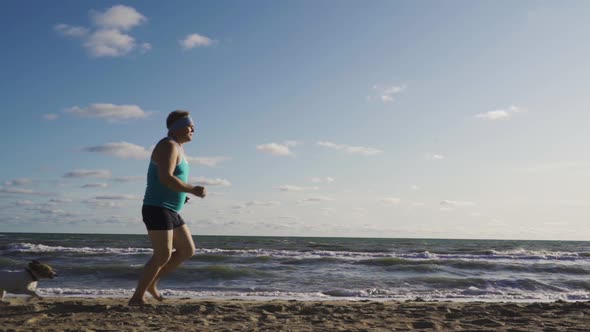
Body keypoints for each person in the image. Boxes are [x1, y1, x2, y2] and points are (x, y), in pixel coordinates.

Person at [129, 110, 206, 305]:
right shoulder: (168, 145)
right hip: (156, 208)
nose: (193, 129)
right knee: (162, 254)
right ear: (176, 127)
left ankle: (152, 283)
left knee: (187, 250)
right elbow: (166, 177)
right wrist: (193, 189)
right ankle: (137, 297)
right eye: (190, 125)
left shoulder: (179, 149)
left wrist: (182, 196)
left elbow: (169, 181)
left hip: (171, 209)